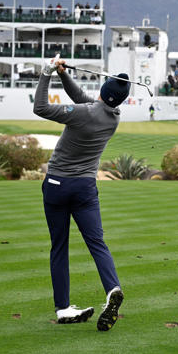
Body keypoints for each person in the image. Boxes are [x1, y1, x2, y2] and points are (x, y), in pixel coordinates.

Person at [32, 55, 125, 330]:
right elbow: (85, 99)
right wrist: (63, 75)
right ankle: (112, 289)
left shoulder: (84, 113)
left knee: (59, 247)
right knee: (97, 243)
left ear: (103, 92)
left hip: (57, 186)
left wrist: (47, 73)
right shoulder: (113, 117)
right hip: (85, 188)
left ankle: (62, 308)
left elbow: (40, 107)